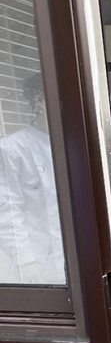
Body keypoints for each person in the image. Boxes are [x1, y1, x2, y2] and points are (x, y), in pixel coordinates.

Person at [0, 73, 65, 285]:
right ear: (39, 101)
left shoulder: (71, 144)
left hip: (77, 255)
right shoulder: (12, 149)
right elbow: (7, 210)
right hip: (39, 259)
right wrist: (25, 261)